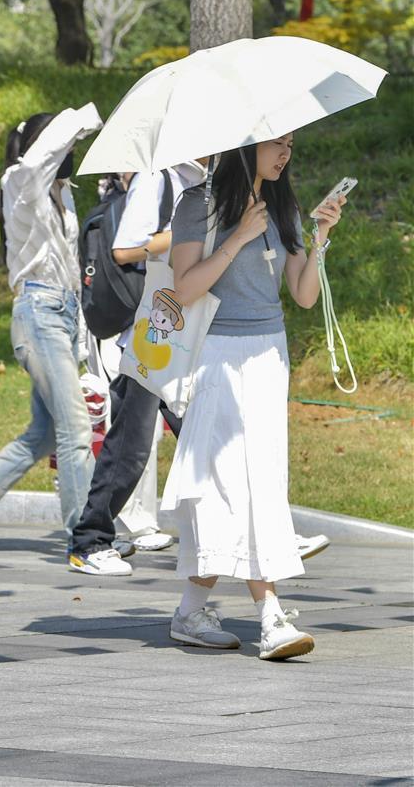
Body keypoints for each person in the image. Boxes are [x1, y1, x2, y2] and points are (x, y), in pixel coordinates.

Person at [162, 135, 344, 660]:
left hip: (269, 353)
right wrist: (238, 237)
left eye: (291, 143)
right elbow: (185, 288)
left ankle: (191, 609)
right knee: (225, 483)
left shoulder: (281, 202)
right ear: (244, 146)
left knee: (258, 477)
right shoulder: (198, 202)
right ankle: (270, 616)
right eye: (275, 143)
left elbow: (304, 295)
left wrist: (321, 238)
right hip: (216, 352)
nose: (285, 153)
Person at [0, 104, 103, 555]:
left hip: (63, 315)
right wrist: (82, 118)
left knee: (45, 435)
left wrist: (83, 340)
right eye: (63, 144)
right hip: (37, 314)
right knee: (76, 430)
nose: (69, 152)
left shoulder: (62, 192)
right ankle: (86, 538)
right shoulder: (19, 182)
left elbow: (70, 269)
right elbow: (36, 159)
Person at [67, 161, 207, 575]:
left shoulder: (209, 181)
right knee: (131, 443)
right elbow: (124, 250)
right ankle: (89, 542)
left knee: (208, 436)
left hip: (186, 326)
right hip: (151, 330)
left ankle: (260, 531)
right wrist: (179, 238)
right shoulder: (156, 178)